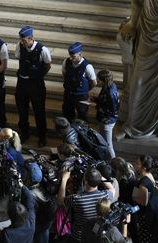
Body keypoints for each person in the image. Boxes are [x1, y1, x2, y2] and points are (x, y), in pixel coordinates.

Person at [118, 0, 158, 138]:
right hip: (148, 37)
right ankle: (134, 124)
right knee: (139, 81)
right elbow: (137, 2)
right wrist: (132, 23)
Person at [14, 26, 52, 147]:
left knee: (39, 111)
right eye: (21, 40)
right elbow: (19, 58)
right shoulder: (19, 46)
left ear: (31, 39)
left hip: (36, 84)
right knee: (22, 110)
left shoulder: (42, 49)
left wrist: (38, 76)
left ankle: (42, 136)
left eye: (24, 40)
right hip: (22, 83)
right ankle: (24, 133)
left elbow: (47, 65)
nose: (22, 43)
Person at [57, 167, 115, 242]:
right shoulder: (105, 196)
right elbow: (112, 188)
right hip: (96, 237)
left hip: (79, 238)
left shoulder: (76, 198)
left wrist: (64, 180)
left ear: (86, 182)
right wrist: (99, 177)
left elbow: (60, 200)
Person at [62, 42, 97, 122]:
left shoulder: (87, 66)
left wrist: (85, 90)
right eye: (70, 56)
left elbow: (94, 82)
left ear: (80, 54)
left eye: (73, 56)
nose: (71, 58)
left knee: (82, 116)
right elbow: (64, 74)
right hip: (68, 94)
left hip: (81, 96)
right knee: (67, 114)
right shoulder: (66, 62)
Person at [92, 69, 119, 159]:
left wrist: (97, 106)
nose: (98, 81)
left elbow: (113, 110)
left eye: (99, 79)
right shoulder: (107, 86)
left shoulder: (111, 92)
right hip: (103, 118)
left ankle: (114, 163)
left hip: (108, 120)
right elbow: (104, 100)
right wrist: (95, 100)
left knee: (108, 144)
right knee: (102, 141)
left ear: (104, 80)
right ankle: (105, 159)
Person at [132, 155, 158, 243]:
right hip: (151, 213)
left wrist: (132, 209)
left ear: (144, 167)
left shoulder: (143, 183)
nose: (135, 165)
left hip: (145, 217)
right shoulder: (149, 175)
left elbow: (143, 204)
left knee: (144, 238)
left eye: (138, 163)